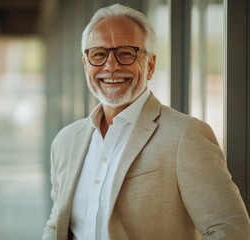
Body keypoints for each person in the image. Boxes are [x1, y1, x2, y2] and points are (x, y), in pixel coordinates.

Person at [42, 3, 250, 240]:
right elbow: (56, 222)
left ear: (150, 66)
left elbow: (230, 229)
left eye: (126, 53)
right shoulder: (66, 141)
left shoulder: (186, 136)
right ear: (86, 64)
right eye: (99, 54)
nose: (111, 66)